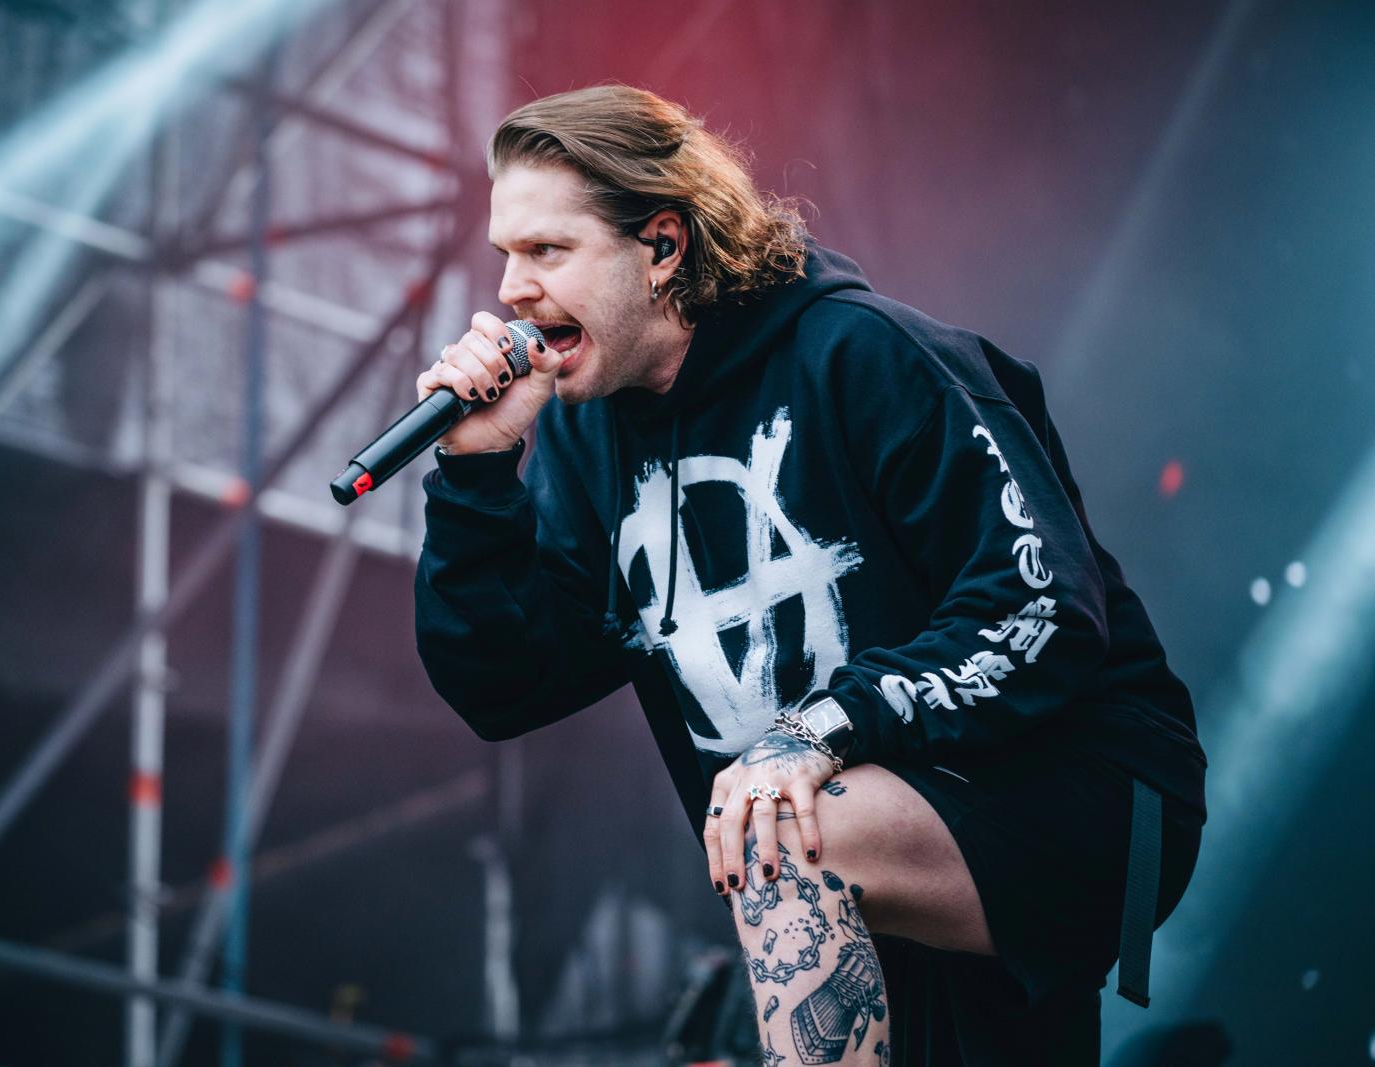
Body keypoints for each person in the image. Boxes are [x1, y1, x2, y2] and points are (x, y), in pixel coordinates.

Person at [411, 84, 1206, 1065]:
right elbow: (503, 685)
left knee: (775, 837)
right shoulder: (586, 440)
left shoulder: (865, 354)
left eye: (546, 250)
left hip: (1068, 779)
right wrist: (476, 475)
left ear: (662, 246)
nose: (511, 290)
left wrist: (819, 726)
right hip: (853, 809)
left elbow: (1039, 606)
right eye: (506, 254)